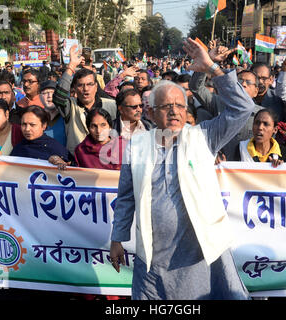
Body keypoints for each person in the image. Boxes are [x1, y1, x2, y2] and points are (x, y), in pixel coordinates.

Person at [109, 38, 254, 300]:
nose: (174, 112)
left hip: (200, 256)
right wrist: (117, 238)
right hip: (151, 258)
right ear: (151, 113)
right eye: (166, 106)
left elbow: (243, 108)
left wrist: (211, 67)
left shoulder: (204, 136)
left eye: (180, 106)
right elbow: (126, 197)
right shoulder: (136, 147)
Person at [53, 44, 117, 155]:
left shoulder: (111, 105)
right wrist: (71, 66)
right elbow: (58, 97)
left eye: (90, 84)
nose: (85, 89)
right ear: (74, 88)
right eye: (80, 85)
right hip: (77, 164)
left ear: (96, 86)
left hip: (105, 162)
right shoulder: (70, 106)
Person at [10, 105, 72, 170]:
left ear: (44, 126)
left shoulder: (55, 148)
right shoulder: (18, 149)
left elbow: (74, 170)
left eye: (32, 125)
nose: (27, 129)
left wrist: (62, 164)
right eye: (24, 124)